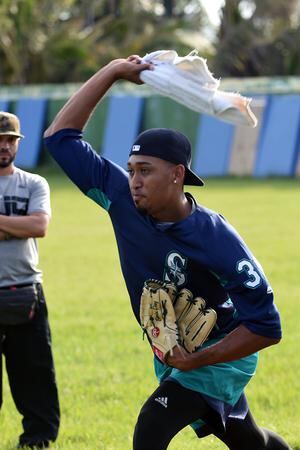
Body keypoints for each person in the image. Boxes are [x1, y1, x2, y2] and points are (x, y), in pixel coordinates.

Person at [44, 56, 290, 450]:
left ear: (177, 174)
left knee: (152, 425)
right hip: (178, 350)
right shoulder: (121, 197)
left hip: (222, 352)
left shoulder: (216, 238)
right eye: (130, 169)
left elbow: (266, 327)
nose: (134, 181)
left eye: (145, 170)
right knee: (249, 441)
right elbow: (60, 138)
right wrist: (112, 71)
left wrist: (199, 361)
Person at [0, 112, 60, 448]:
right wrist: (15, 225)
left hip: (25, 290)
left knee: (34, 373)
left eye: (10, 139)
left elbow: (39, 226)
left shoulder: (34, 183)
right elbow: (27, 225)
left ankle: (37, 439)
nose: (4, 146)